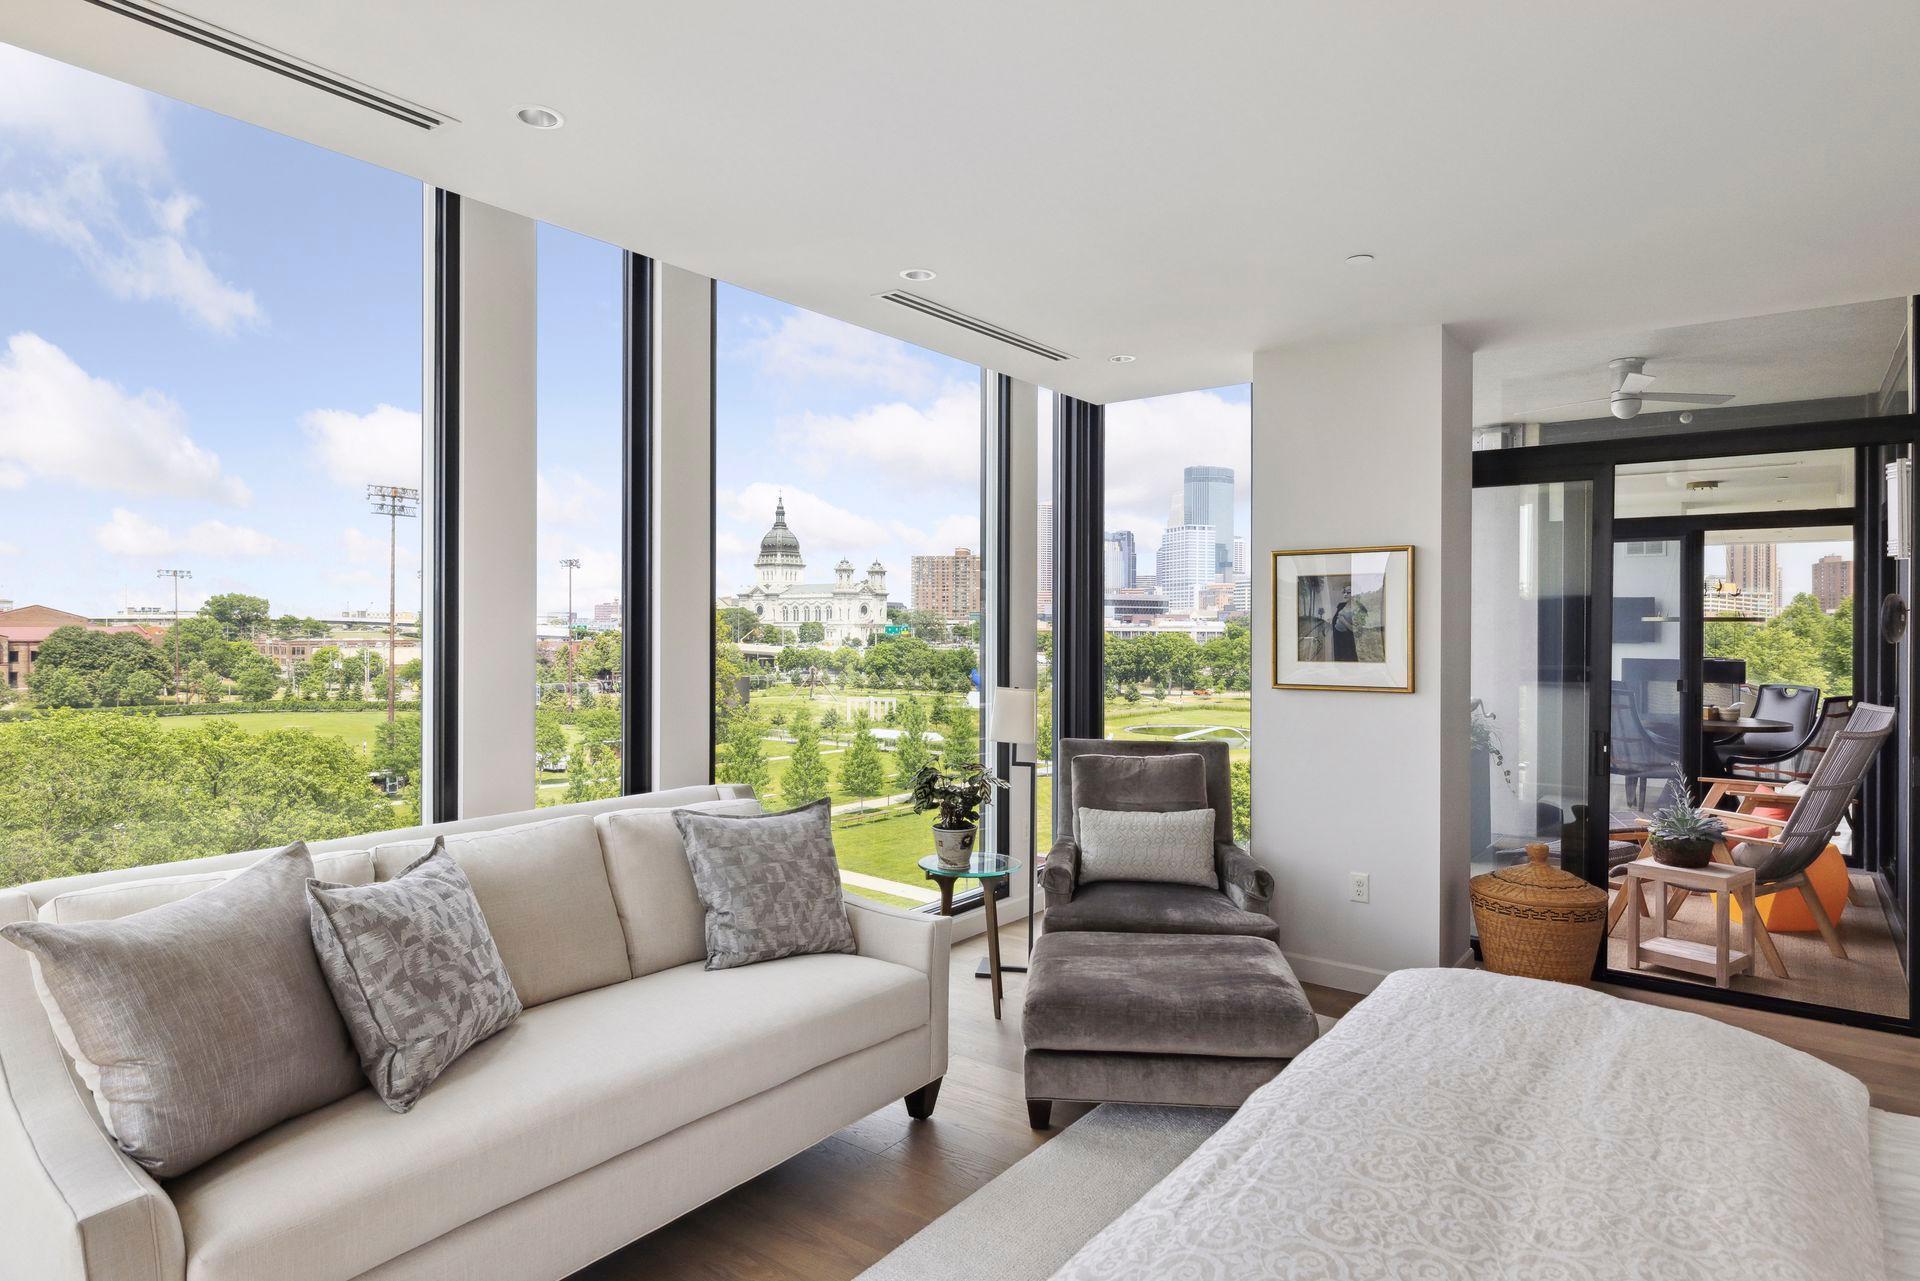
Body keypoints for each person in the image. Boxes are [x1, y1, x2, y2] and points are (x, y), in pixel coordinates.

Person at [1330, 583, 1367, 662]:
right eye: (1344, 592)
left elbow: (1358, 631)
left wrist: (1343, 621)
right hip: (1337, 641)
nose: (1345, 594)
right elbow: (1335, 620)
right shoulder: (1340, 605)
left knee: (1349, 665)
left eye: (1348, 592)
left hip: (1348, 643)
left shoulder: (1360, 608)